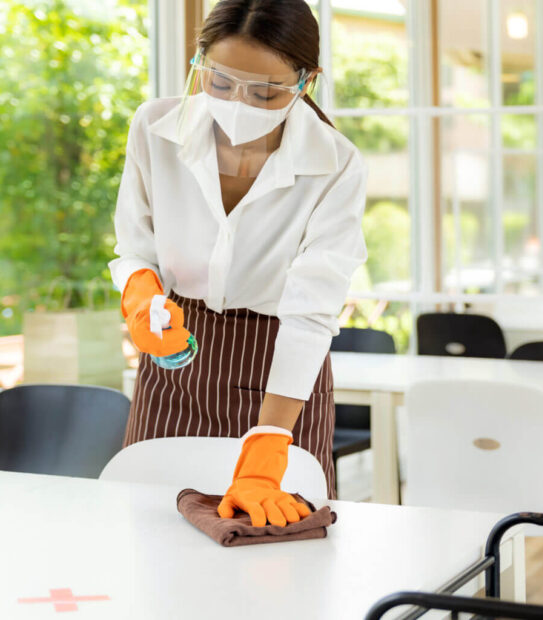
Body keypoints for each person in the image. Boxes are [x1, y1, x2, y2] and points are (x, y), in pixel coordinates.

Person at [108, 0, 367, 526]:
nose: (238, 104)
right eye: (220, 83)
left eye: (266, 92)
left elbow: (312, 309)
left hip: (280, 367)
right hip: (177, 361)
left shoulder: (336, 164)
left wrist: (270, 442)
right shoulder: (155, 128)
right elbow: (135, 247)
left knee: (274, 549)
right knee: (153, 534)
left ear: (306, 81)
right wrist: (141, 298)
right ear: (199, 62)